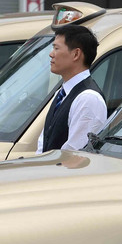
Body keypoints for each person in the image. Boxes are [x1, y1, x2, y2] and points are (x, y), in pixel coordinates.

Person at [37, 24, 106, 153]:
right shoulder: (62, 93)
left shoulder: (88, 98)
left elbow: (74, 154)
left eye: (56, 48)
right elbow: (43, 142)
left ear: (76, 54)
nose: (51, 54)